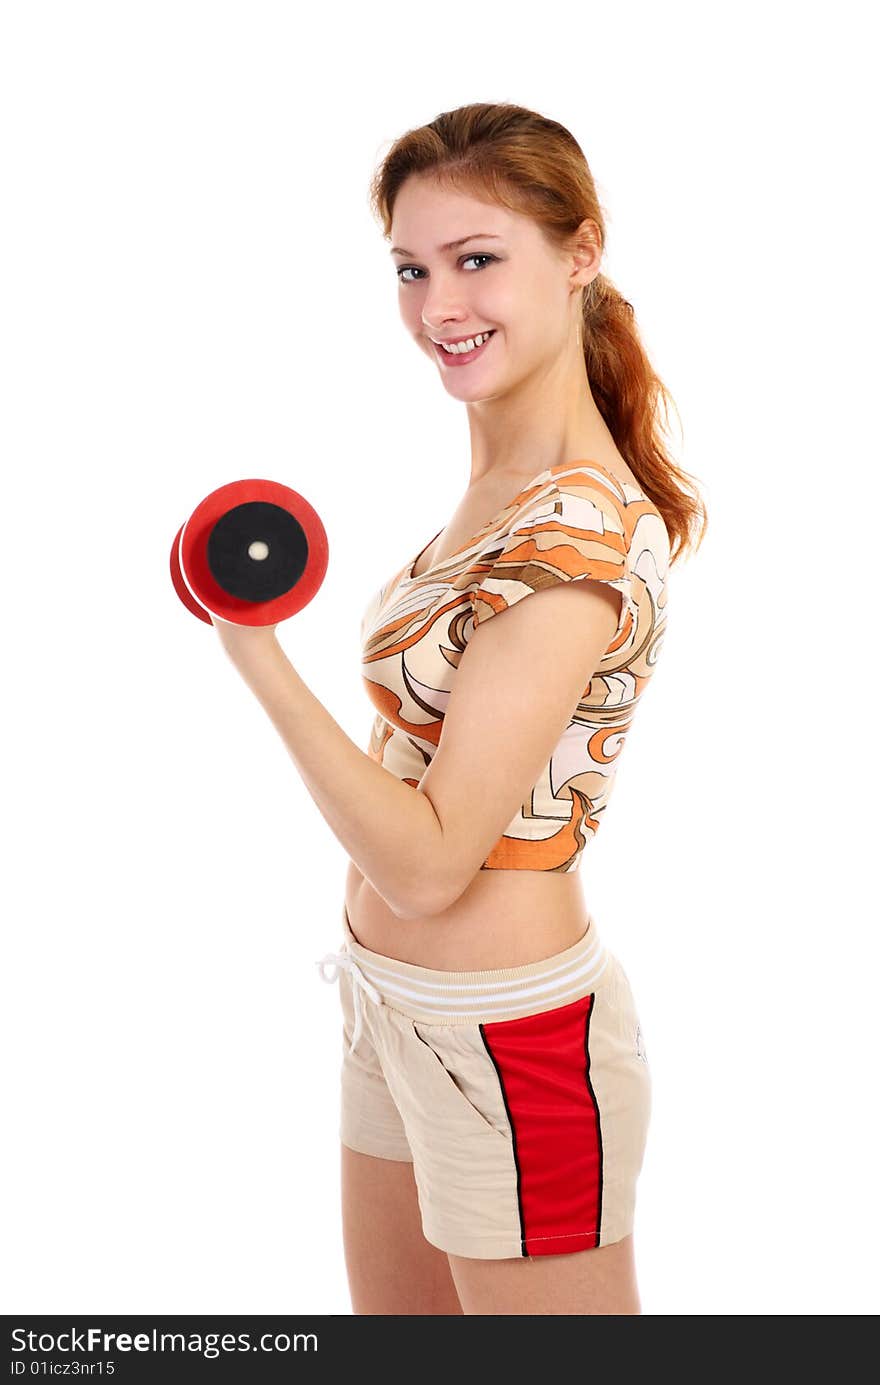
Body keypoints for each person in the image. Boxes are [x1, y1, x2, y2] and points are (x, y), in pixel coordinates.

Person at [212, 101, 706, 1315]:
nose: (440, 306)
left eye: (477, 258)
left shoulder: (576, 533)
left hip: (514, 1039)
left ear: (580, 250)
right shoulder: (496, 481)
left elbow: (433, 863)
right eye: (411, 268)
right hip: (391, 1007)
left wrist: (253, 648)